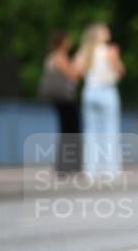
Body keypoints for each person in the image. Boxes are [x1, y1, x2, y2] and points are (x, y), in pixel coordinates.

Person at [75, 24, 125, 178]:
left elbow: (76, 71)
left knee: (90, 131)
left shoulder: (84, 52)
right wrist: (116, 57)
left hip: (89, 91)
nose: (108, 32)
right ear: (100, 35)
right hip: (106, 91)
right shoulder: (109, 51)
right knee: (110, 130)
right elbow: (121, 72)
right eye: (105, 30)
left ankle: (91, 170)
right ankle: (111, 170)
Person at [39, 30, 82, 175]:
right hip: (65, 100)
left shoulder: (51, 57)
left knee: (65, 130)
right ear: (62, 42)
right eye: (67, 40)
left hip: (58, 99)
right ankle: (68, 166)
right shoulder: (59, 57)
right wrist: (78, 63)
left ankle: (63, 165)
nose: (70, 43)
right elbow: (73, 75)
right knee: (71, 131)